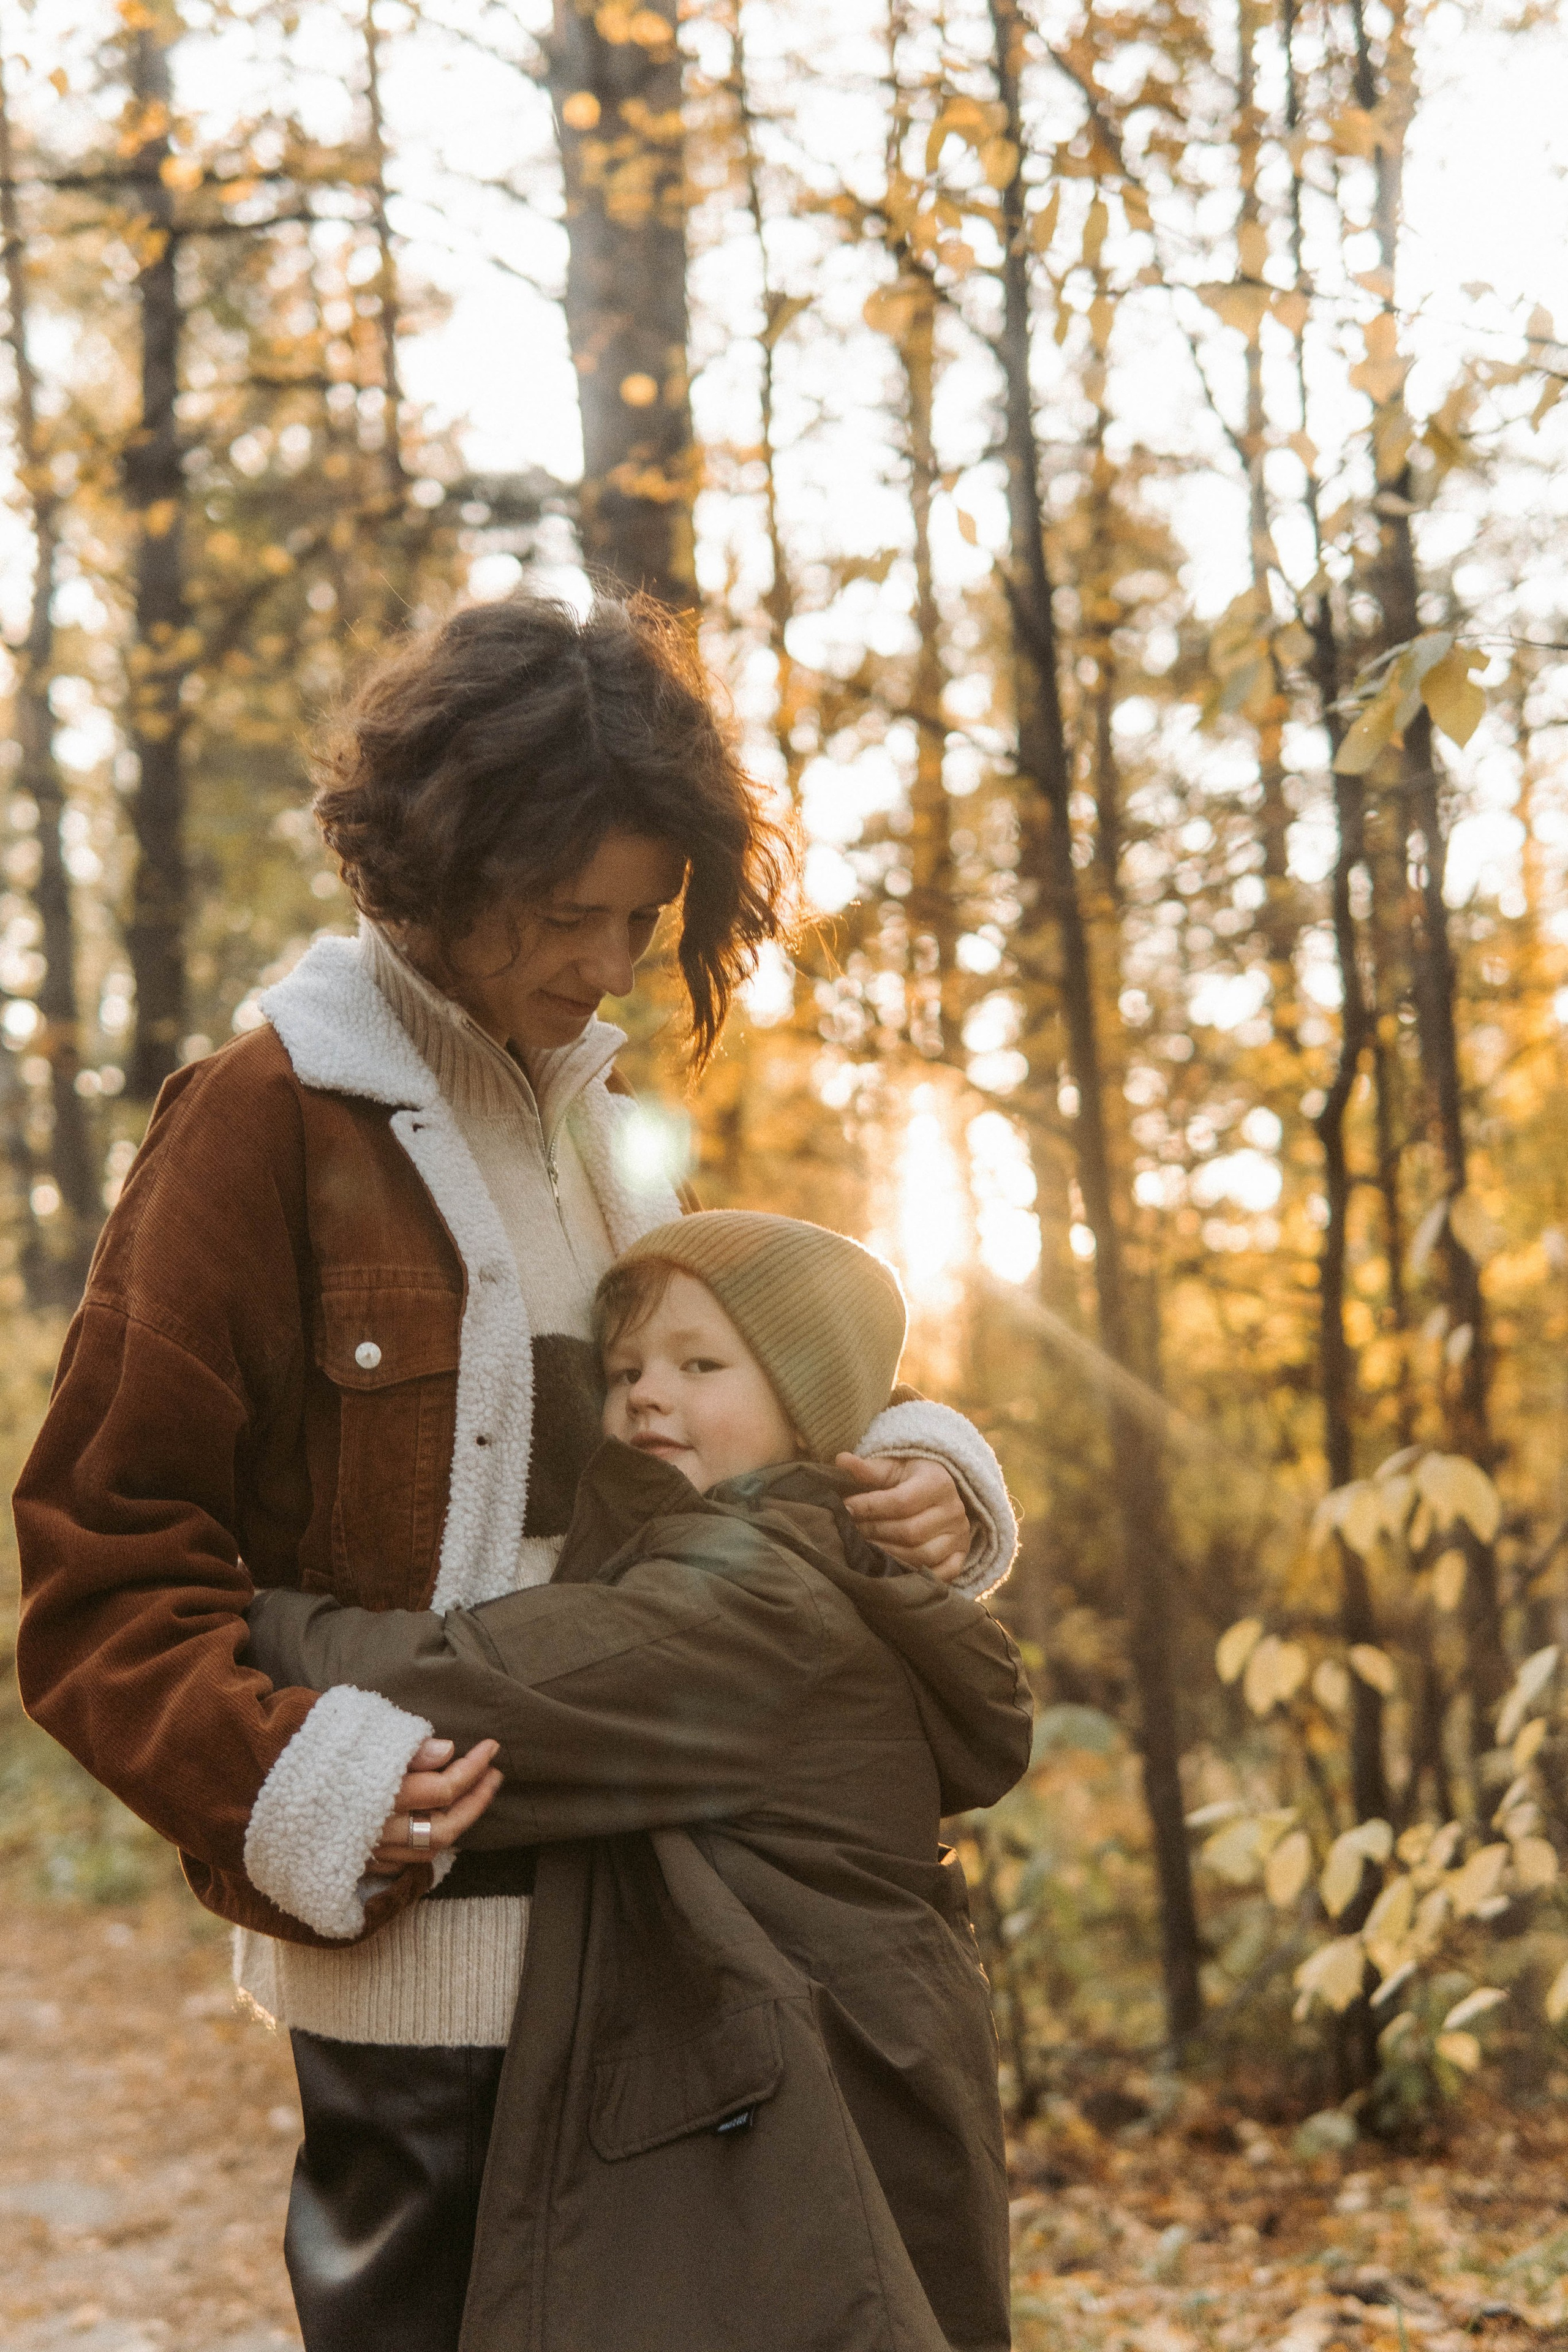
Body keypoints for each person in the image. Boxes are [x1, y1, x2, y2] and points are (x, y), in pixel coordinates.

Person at [13, 594, 1019, 2346]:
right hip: (429, 1997)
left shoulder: (607, 1139)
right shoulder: (259, 1122)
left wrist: (924, 1466)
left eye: (641, 917)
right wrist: (302, 1787)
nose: (607, 959)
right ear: (435, 864)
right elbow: (98, 1580)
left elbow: (748, 1396)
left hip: (677, 1963)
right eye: (568, 914)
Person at [243, 1209, 1033, 2352]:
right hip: (862, 2078)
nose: (647, 1397)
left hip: (823, 2104)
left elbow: (472, 1683)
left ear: (814, 1405)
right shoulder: (798, 1562)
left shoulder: (750, 1598)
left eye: (700, 1365)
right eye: (624, 1372)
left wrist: (243, 1615)